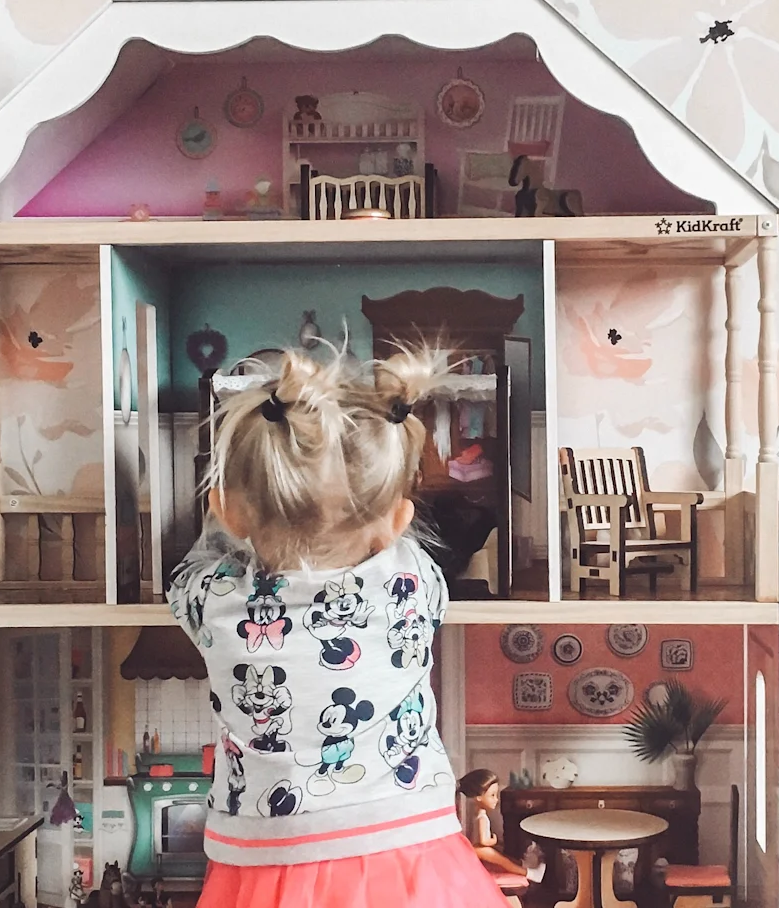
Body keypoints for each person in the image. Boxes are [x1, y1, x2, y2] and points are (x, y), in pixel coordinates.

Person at [168, 345, 509, 908]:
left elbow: (186, 573)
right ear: (399, 518)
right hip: (408, 851)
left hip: (267, 856)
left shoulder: (216, 599)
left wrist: (232, 534)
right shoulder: (413, 584)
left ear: (228, 509)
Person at [456, 769, 546, 883]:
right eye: (492, 795)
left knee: (505, 858)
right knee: (504, 861)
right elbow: (484, 841)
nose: (496, 799)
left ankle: (525, 865)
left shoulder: (479, 815)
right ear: (478, 797)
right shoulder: (482, 818)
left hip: (480, 848)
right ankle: (531, 874)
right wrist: (493, 840)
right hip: (481, 849)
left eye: (496, 795)